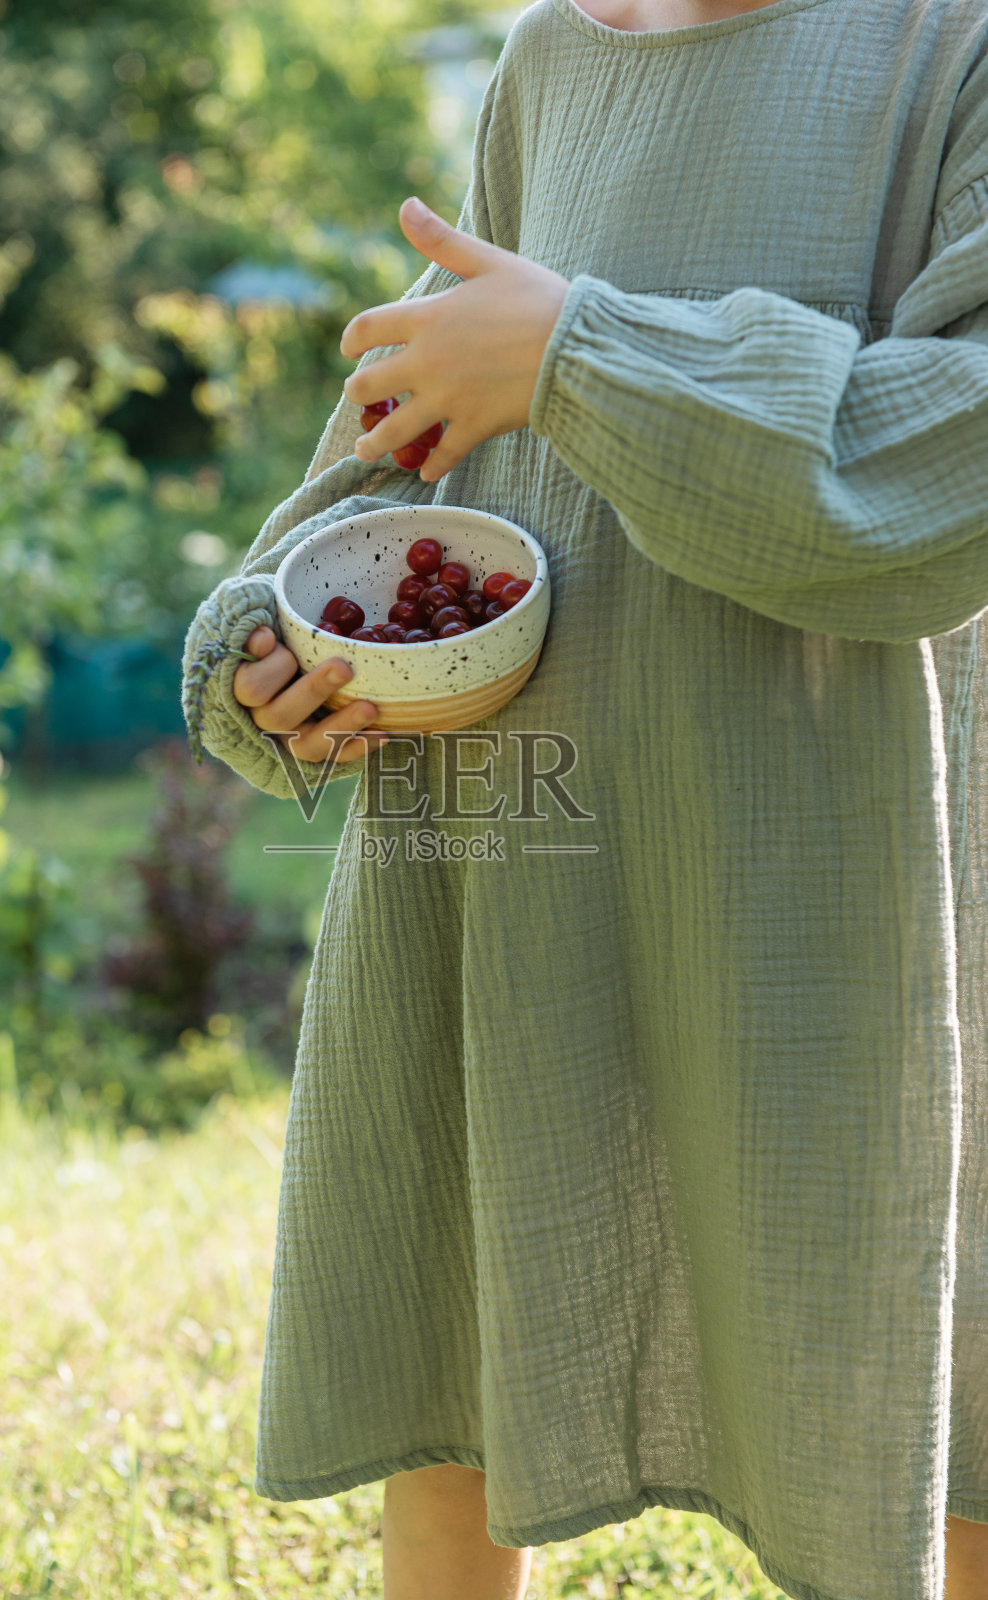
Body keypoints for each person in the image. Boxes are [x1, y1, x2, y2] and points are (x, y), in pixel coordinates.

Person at [181, 0, 988, 1594]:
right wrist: (267, 628)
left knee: (913, 1359)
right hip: (514, 823)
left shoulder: (946, 43)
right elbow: (411, 416)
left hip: (837, 848)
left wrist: (576, 354)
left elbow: (950, 457)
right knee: (465, 1350)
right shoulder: (551, 59)